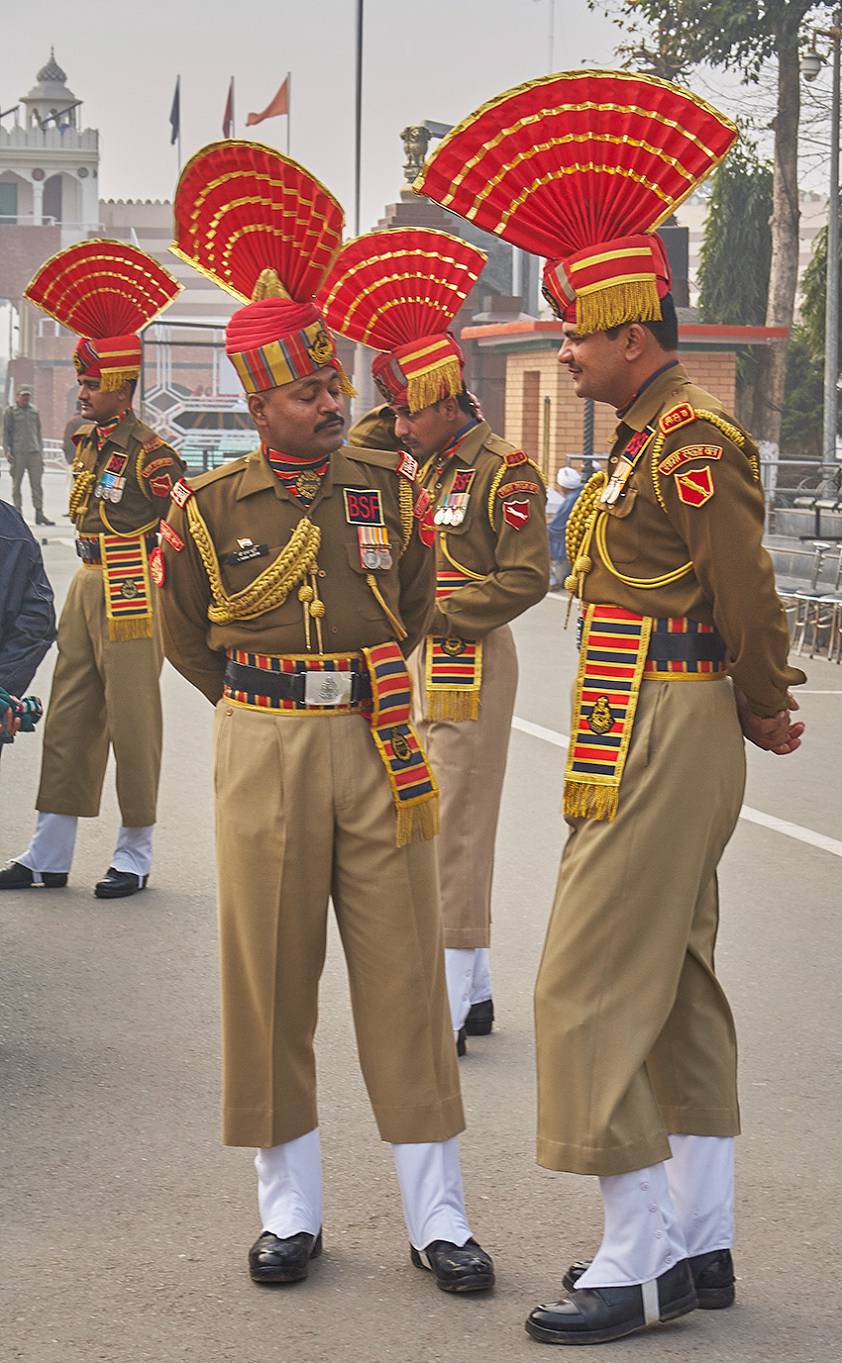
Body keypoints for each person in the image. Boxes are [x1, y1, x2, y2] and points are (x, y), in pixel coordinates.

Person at [416, 69, 806, 1344]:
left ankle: (633, 1256)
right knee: (678, 980)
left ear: (631, 333)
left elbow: (747, 598)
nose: (566, 351)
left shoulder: (690, 443)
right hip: (630, 713)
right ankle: (699, 1239)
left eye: (577, 333)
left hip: (673, 715)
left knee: (581, 982)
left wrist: (764, 705)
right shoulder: (642, 440)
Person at [158, 140, 494, 1293]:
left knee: (404, 975)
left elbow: (410, 604)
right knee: (270, 979)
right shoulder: (209, 506)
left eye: (332, 384)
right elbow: (185, 632)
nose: (334, 398)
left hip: (377, 738)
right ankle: (288, 1211)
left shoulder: (387, 492)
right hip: (261, 747)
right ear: (260, 401)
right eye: (308, 389)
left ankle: (435, 1214)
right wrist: (262, 710)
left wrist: (344, 695)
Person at [321, 227, 549, 1051]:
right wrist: (395, 395)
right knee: (425, 811)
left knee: (456, 823)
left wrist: (438, 613)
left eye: (414, 407)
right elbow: (356, 451)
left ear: (449, 398)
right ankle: (475, 985)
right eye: (400, 410)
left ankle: (450, 999)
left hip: (471, 658)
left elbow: (528, 579)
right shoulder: (421, 460)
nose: (402, 425)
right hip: (421, 662)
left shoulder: (504, 470)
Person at [0, 240, 183, 899]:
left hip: (134, 582)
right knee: (70, 712)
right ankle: (49, 851)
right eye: (78, 381)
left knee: (132, 718)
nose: (80, 392)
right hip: (85, 578)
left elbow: (181, 530)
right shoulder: (85, 442)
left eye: (90, 383)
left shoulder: (154, 454)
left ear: (123, 388)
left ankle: (135, 853)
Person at [0, 497, 56, 766]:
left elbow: (36, 618)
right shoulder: (10, 528)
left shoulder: (10, 529)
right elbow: (38, 618)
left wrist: (4, 688)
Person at [3, 386, 53, 526]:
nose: (26, 398)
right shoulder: (10, 411)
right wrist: (7, 450)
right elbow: (6, 432)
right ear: (17, 396)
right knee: (16, 485)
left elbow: (38, 432)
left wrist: (41, 452)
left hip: (34, 452)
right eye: (23, 395)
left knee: (36, 484)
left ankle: (39, 512)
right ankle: (18, 513)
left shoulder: (34, 411)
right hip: (18, 452)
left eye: (28, 396)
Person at [548, 465, 582, 590]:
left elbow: (556, 527)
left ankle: (551, 579)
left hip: (567, 539)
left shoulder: (571, 499)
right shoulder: (580, 492)